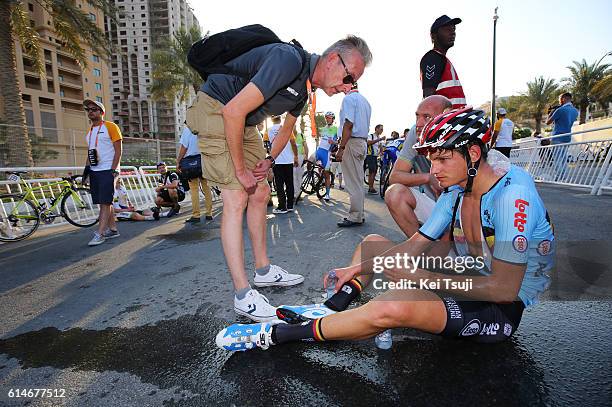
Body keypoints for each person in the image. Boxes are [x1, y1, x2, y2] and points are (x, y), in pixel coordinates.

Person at [215, 107, 556, 352]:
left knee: (389, 307)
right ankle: (337, 305)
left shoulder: (513, 195)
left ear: (473, 153)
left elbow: (504, 290)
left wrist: (422, 280)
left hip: (499, 307)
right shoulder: (455, 189)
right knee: (373, 244)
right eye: (431, 159)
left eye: (442, 159)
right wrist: (357, 268)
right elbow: (416, 243)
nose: (433, 169)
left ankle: (280, 336)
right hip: (467, 276)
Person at [186, 35, 372, 321]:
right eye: (349, 77)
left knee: (259, 193)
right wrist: (239, 170)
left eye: (354, 83)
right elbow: (232, 110)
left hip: (242, 120)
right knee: (236, 195)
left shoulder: (302, 88)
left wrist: (269, 159)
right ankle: (242, 295)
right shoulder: (288, 60)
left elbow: (286, 130)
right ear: (334, 59)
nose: (348, 88)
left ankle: (262, 271)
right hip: (217, 108)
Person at [385, 95, 450, 237]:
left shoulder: (459, 134)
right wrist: (428, 178)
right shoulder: (416, 132)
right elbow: (395, 176)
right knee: (394, 193)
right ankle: (423, 251)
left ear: (445, 116)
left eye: (426, 117)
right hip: (436, 205)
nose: (419, 123)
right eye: (417, 116)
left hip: (462, 209)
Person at [83, 99, 123, 247]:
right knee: (103, 201)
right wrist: (86, 170)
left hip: (108, 169)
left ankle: (100, 233)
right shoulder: (90, 130)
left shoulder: (111, 127)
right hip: (95, 170)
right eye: (88, 110)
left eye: (94, 109)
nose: (90, 112)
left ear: (101, 112)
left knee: (105, 202)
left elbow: (119, 151)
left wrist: (114, 170)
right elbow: (91, 152)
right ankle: (112, 229)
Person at [336, 82, 372, 227]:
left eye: (342, 85)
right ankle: (359, 214)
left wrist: (341, 147)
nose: (340, 88)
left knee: (352, 182)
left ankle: (355, 216)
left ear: (349, 85)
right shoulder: (365, 101)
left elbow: (348, 124)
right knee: (357, 181)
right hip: (362, 142)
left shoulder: (349, 99)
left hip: (351, 142)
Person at [420, 15, 466, 109]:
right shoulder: (433, 58)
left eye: (453, 29)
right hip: (447, 122)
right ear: (433, 35)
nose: (452, 33)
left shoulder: (442, 59)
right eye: (447, 29)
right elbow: (428, 97)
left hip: (454, 121)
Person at [177, 125, 214, 223]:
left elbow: (184, 146)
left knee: (194, 190)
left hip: (190, 162)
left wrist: (178, 161)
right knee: (206, 187)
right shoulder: (204, 127)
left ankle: (196, 215)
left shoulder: (188, 129)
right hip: (203, 160)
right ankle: (209, 213)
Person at [269, 115, 299, 213]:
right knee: (289, 183)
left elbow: (266, 146)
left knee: (279, 184)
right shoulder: (286, 129)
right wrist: (295, 156)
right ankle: (290, 205)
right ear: (280, 119)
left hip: (277, 161)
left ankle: (282, 206)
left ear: (271, 119)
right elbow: (293, 143)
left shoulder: (268, 131)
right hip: (289, 160)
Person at [546, 92, 579, 181]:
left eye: (560, 99)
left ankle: (559, 177)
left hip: (557, 136)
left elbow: (548, 122)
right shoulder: (575, 111)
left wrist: (552, 112)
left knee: (557, 159)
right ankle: (564, 177)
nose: (559, 102)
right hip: (567, 137)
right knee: (564, 159)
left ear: (563, 99)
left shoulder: (560, 110)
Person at [315, 112, 339, 201]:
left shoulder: (336, 129)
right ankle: (318, 179)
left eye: (329, 118)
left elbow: (339, 142)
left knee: (327, 174)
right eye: (327, 117)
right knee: (310, 162)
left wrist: (334, 142)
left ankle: (327, 194)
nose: (328, 119)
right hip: (319, 150)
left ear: (333, 119)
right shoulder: (323, 129)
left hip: (326, 153)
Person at [365, 124, 384, 194]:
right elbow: (369, 142)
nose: (382, 131)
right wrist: (380, 139)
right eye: (381, 129)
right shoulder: (371, 136)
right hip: (370, 155)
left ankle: (371, 187)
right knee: (372, 172)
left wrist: (382, 151)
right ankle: (370, 188)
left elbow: (379, 146)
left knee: (374, 171)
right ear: (376, 129)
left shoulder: (378, 137)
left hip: (375, 156)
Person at [293, 127, 309, 201]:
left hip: (300, 157)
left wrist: (306, 156)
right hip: (291, 157)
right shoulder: (289, 135)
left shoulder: (301, 135)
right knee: (293, 176)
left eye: (294, 125)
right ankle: (295, 193)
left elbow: (305, 146)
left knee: (299, 176)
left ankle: (298, 194)